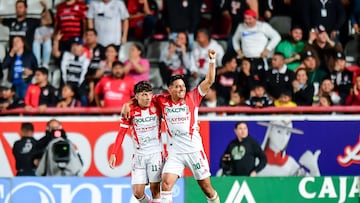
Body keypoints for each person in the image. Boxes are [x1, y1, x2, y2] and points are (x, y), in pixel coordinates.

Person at [122, 49, 220, 203]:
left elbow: (209, 81)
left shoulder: (193, 97)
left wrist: (212, 61)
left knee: (206, 188)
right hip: (175, 153)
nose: (182, 89)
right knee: (166, 185)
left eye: (183, 86)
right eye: (177, 86)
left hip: (193, 150)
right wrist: (127, 104)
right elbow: (142, 97)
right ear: (170, 89)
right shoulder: (161, 100)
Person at [109, 81, 163, 203]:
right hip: (139, 155)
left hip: (155, 154)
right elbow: (121, 132)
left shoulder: (157, 104)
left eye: (149, 94)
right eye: (144, 94)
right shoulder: (130, 110)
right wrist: (114, 153)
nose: (148, 97)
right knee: (138, 193)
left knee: (156, 191)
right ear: (136, 96)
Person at [232, 9, 281, 77]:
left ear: (255, 18)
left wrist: (267, 49)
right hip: (246, 59)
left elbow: (277, 37)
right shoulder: (241, 27)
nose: (247, 21)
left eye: (249, 19)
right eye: (245, 19)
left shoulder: (263, 26)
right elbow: (235, 39)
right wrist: (238, 50)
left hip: (260, 58)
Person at [32, 0, 54, 68]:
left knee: (47, 41)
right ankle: (37, 64)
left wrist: (45, 7)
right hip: (39, 45)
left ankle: (45, 65)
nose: (43, 18)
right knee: (35, 43)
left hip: (47, 47)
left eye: (45, 16)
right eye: (42, 16)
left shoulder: (52, 29)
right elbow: (37, 40)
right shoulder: (37, 29)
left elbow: (50, 20)